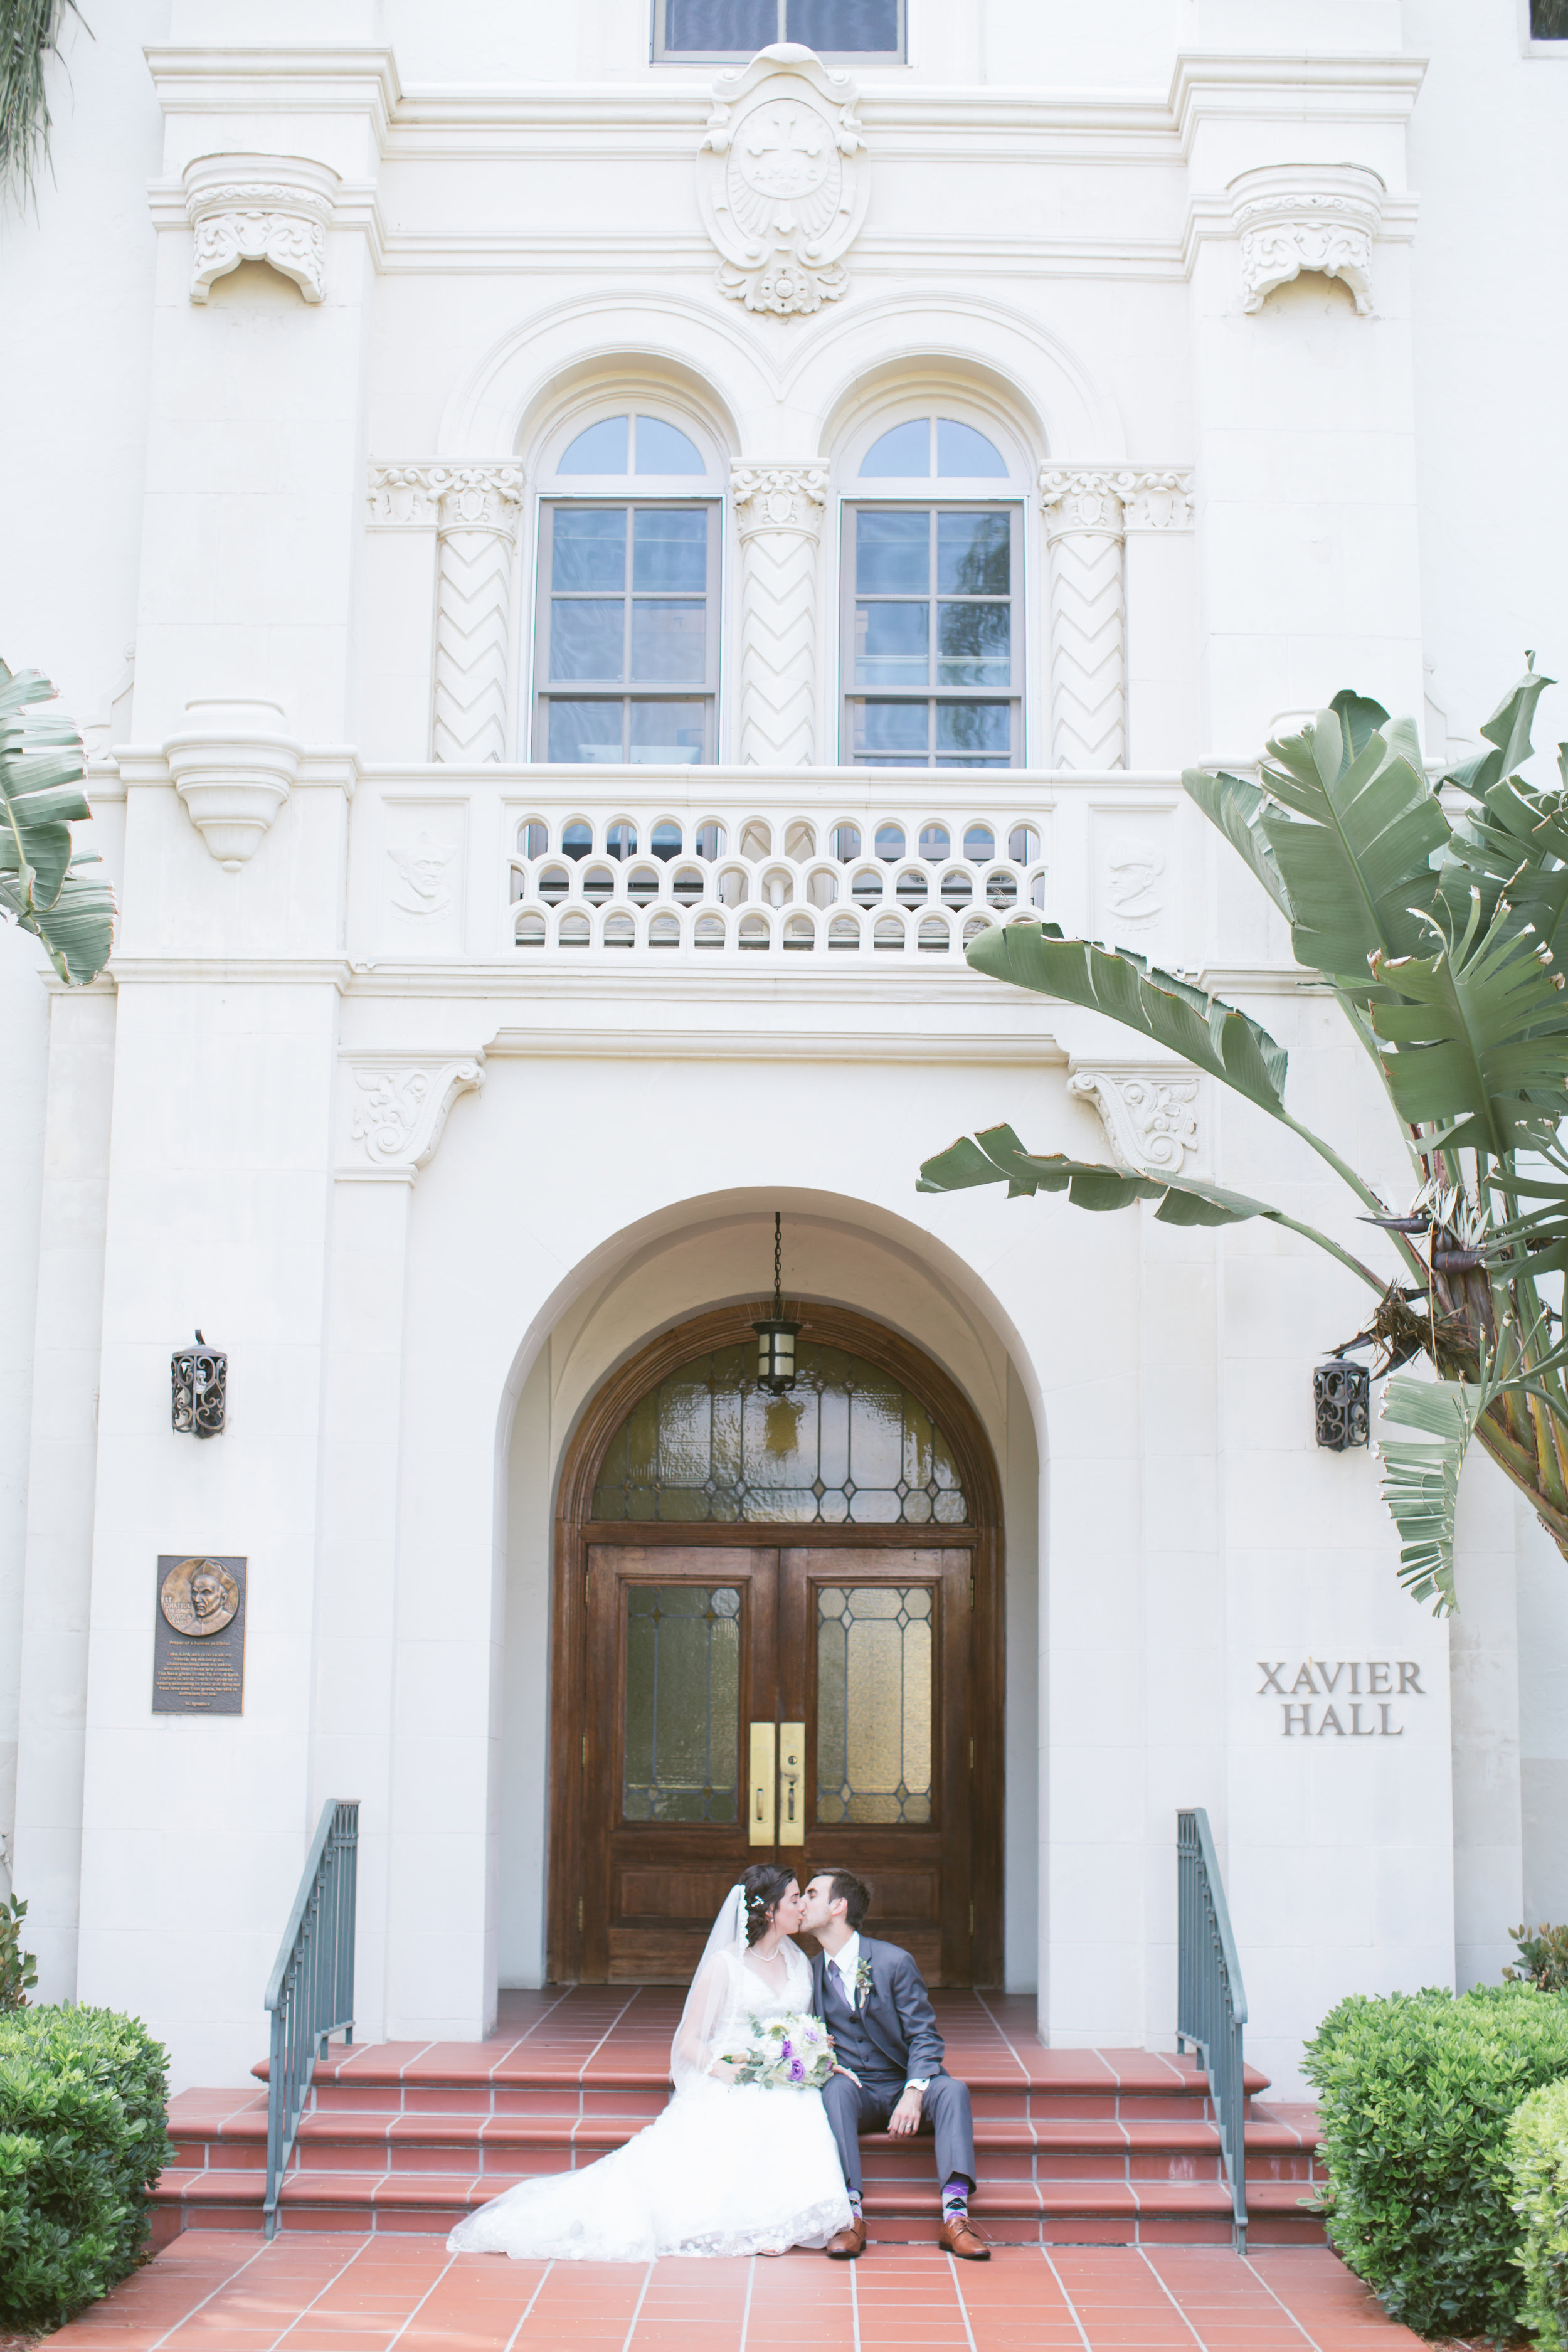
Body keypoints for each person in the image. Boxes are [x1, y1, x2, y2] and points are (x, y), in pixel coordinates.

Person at [447, 1865, 852, 2260]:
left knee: (797, 2114)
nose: (802, 1908)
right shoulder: (726, 1965)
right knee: (744, 2117)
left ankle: (782, 2220)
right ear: (769, 1911)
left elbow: (804, 2025)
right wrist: (718, 2068)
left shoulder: (800, 1962)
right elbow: (688, 2039)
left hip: (784, 2079)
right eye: (795, 1899)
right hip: (732, 2072)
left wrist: (811, 2052)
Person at [798, 1868, 990, 2262]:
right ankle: (850, 2218)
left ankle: (955, 2219)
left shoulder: (893, 1962)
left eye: (812, 1894)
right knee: (833, 2091)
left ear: (839, 1906)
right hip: (855, 2089)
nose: (802, 1902)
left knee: (953, 2090)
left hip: (902, 2080)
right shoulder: (809, 1973)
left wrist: (915, 2090)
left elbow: (925, 2036)